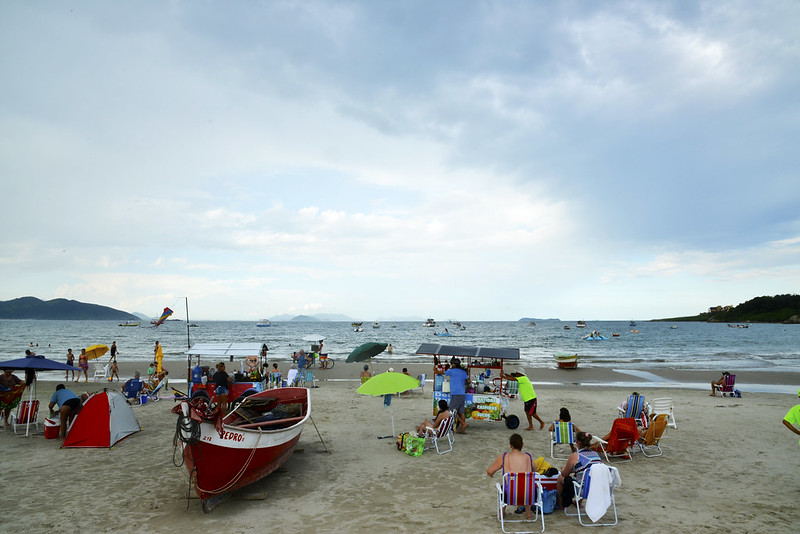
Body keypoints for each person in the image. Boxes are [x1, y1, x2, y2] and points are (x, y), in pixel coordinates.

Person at [486, 433, 536, 520]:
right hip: (528, 494)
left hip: (510, 494)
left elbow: (490, 471)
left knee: (504, 484)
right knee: (526, 483)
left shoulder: (505, 457)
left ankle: (501, 512)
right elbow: (535, 470)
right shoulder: (528, 457)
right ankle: (528, 514)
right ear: (522, 445)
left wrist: (491, 475)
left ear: (510, 446)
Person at [556, 431, 602, 509]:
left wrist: (563, 468)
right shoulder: (595, 454)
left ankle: (561, 506)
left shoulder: (575, 456)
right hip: (597, 487)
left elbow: (565, 474)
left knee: (561, 478)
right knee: (583, 475)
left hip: (583, 490)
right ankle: (578, 503)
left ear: (578, 443)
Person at [439, 358, 469, 433]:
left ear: (454, 364)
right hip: (462, 393)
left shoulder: (451, 371)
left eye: (452, 364)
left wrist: (434, 369)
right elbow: (469, 381)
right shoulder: (463, 372)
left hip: (456, 393)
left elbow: (440, 372)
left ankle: (463, 423)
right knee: (461, 412)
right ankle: (462, 429)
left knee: (451, 411)